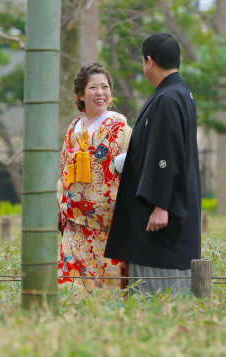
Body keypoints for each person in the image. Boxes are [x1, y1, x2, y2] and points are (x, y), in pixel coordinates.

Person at [105, 33, 201, 295]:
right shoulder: (180, 93)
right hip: (169, 210)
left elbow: (165, 155)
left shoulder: (169, 98)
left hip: (161, 218)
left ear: (149, 61)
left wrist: (161, 205)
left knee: (159, 295)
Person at [57, 63, 132, 295]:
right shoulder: (73, 128)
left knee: (107, 290)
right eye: (93, 88)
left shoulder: (119, 126)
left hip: (106, 224)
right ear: (80, 94)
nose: (100, 93)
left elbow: (134, 169)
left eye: (105, 87)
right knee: (68, 287)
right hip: (73, 225)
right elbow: (63, 173)